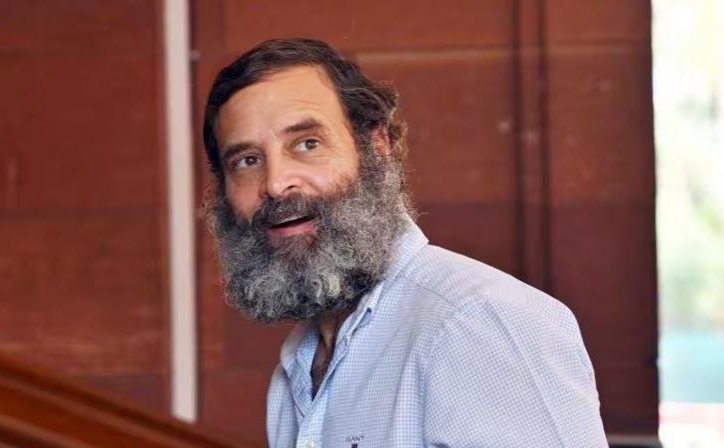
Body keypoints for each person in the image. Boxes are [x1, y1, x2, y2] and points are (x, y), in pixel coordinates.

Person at [202, 38, 608, 448]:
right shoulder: (295, 366)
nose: (275, 183)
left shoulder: (476, 321)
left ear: (377, 148)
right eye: (247, 161)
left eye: (308, 143)